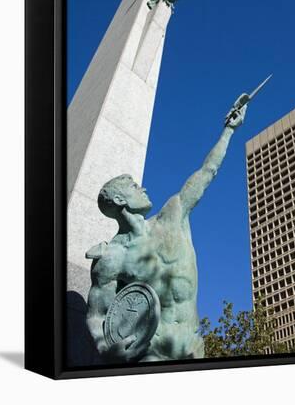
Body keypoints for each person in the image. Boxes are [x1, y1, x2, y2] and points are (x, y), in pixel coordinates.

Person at [86, 100, 247, 362]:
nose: (143, 188)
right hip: (152, 353)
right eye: (133, 186)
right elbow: (96, 315)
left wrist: (229, 131)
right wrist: (106, 348)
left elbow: (207, 171)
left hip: (193, 347)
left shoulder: (174, 212)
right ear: (118, 200)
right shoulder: (113, 257)